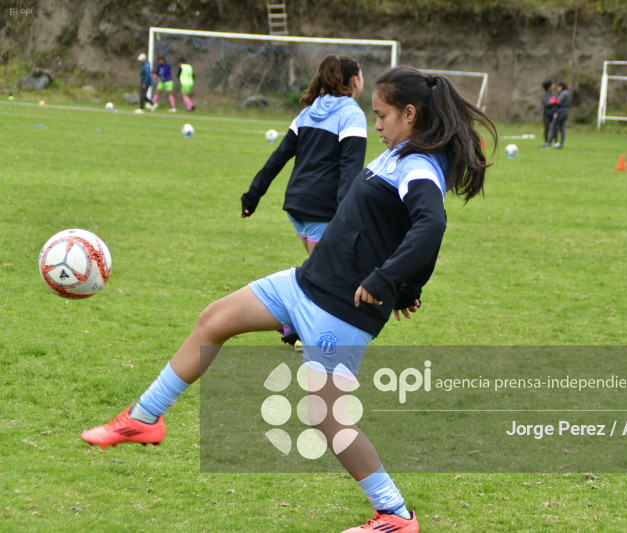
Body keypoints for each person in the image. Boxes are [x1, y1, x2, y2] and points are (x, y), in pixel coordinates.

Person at [80, 66, 497, 533]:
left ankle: (396, 515)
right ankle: (143, 419)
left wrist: (387, 281)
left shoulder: (419, 167)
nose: (375, 124)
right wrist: (411, 287)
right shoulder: (400, 153)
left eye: (381, 116)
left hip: (342, 309)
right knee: (214, 320)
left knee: (326, 416)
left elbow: (430, 228)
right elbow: (402, 230)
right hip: (304, 284)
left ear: (410, 113)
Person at [241, 54, 367, 350]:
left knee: (319, 271)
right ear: (355, 82)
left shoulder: (308, 112)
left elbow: (279, 157)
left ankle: (296, 328)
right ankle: (299, 331)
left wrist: (253, 194)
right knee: (327, 278)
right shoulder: (352, 114)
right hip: (323, 210)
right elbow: (350, 172)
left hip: (298, 205)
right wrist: (346, 218)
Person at [548, 81, 571, 149]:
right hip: (566, 111)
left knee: (554, 126)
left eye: (559, 87)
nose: (558, 88)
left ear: (562, 87)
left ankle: (549, 142)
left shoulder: (563, 93)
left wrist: (552, 101)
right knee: (562, 128)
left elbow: (558, 102)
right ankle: (561, 144)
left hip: (561, 111)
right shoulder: (568, 93)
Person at [541, 79, 556, 147]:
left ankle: (553, 141)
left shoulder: (553, 93)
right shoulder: (544, 94)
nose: (553, 86)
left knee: (554, 127)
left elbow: (555, 101)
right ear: (549, 86)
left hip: (553, 112)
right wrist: (551, 102)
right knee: (547, 128)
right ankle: (547, 141)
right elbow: (546, 103)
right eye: (552, 85)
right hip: (546, 113)